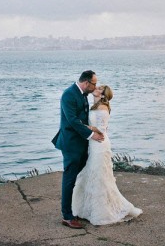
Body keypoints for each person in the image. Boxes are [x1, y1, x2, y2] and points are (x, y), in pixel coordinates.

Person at [71, 85, 143, 225]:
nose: (96, 89)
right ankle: (88, 210)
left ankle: (102, 213)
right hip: (93, 144)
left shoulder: (103, 108)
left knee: (100, 178)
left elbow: (102, 129)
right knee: (90, 175)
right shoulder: (94, 105)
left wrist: (84, 127)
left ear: (103, 95)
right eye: (96, 87)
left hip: (100, 145)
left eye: (99, 89)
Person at [51, 70, 104, 229]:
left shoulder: (83, 94)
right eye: (94, 83)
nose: (96, 86)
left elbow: (83, 118)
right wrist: (91, 135)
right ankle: (67, 216)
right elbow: (73, 120)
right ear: (87, 82)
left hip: (81, 143)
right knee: (69, 179)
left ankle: (77, 208)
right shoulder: (69, 94)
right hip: (71, 144)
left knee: (79, 176)